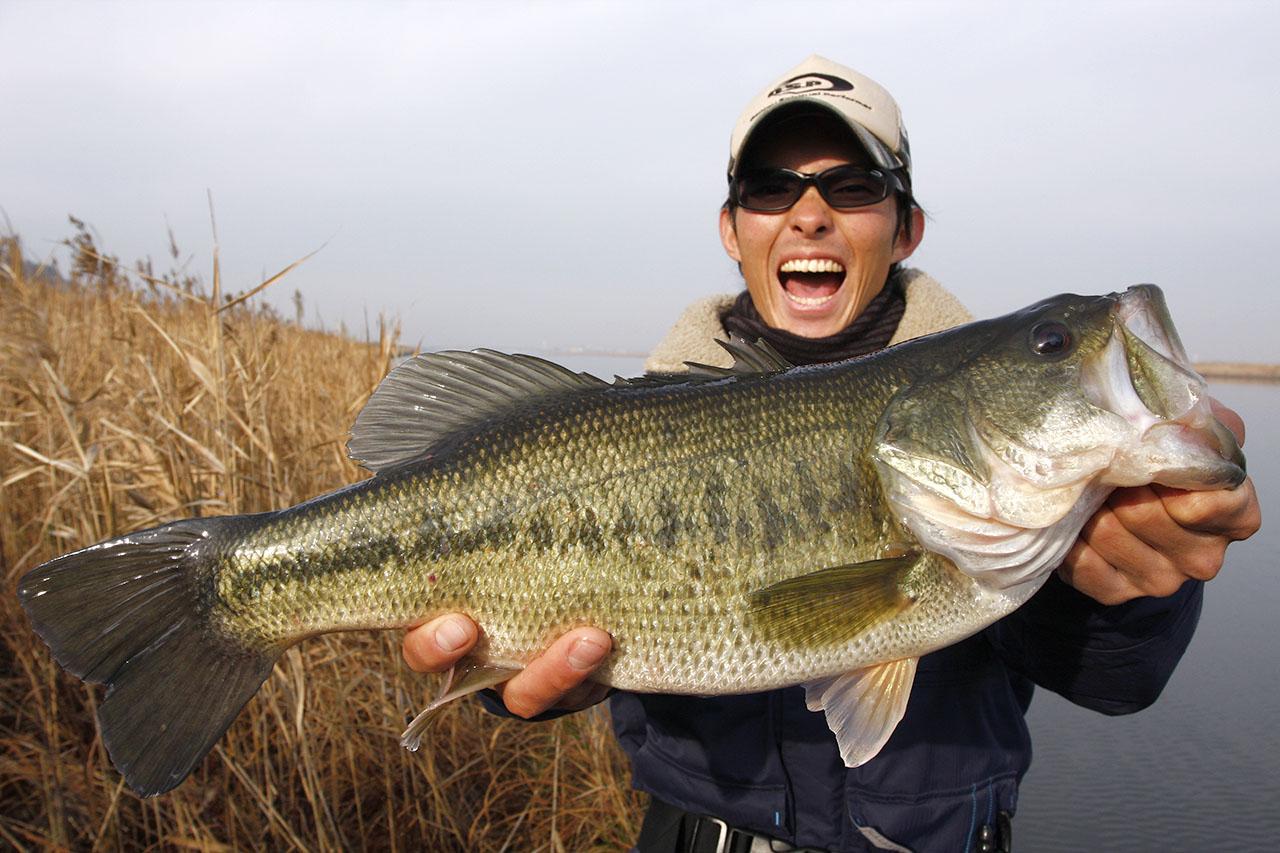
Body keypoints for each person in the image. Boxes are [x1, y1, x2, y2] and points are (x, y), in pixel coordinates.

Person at [402, 56, 1261, 851]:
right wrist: (504, 680)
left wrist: (1117, 591)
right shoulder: (618, 426)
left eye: (852, 186)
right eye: (772, 188)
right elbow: (518, 627)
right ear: (732, 229)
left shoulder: (1037, 478)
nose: (808, 213)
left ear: (907, 227)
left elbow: (1122, 679)